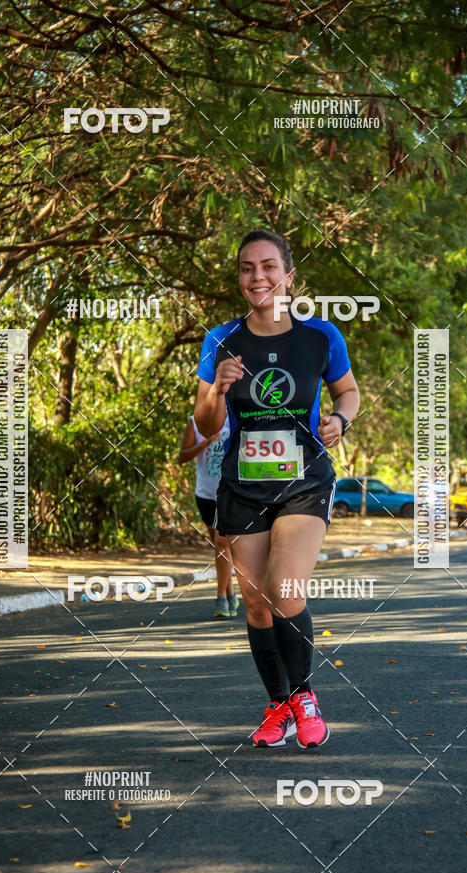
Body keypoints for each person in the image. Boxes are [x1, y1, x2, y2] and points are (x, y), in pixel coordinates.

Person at [194, 229, 360, 749]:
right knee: (255, 601)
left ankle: (305, 696)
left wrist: (340, 420)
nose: (258, 276)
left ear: (289, 276)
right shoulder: (221, 340)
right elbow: (204, 423)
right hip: (242, 486)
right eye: (247, 268)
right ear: (240, 278)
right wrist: (219, 388)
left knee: (285, 588)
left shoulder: (321, 337)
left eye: (269, 267)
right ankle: (277, 706)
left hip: (304, 482)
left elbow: (348, 392)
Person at [178, 414, 239, 618]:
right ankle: (231, 593)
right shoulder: (195, 422)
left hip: (230, 491)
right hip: (205, 493)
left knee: (222, 542)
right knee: (220, 545)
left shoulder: (236, 415)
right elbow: (182, 456)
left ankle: (221, 597)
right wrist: (206, 441)